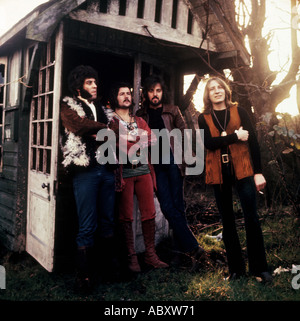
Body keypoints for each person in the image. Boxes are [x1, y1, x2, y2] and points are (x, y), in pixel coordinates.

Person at [198, 76, 272, 282]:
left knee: (252, 218)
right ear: (208, 94)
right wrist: (235, 137)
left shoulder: (239, 111)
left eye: (220, 87)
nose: (217, 91)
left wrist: (258, 172)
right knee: (228, 222)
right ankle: (236, 270)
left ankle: (260, 269)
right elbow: (209, 143)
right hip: (219, 174)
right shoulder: (203, 117)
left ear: (226, 90)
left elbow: (254, 141)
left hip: (244, 170)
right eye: (212, 89)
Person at [136, 74, 207, 271]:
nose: (155, 94)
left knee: (178, 208)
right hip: (155, 166)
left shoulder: (173, 110)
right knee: (167, 208)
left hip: (174, 163)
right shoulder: (141, 115)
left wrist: (190, 157)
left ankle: (179, 255)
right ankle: (194, 249)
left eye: (158, 90)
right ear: (146, 93)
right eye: (151, 91)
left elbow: (184, 133)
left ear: (162, 92)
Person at [60, 65, 116, 291]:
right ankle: (84, 277)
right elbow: (77, 125)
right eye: (89, 83)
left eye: (95, 82)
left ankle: (109, 270)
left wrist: (99, 130)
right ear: (78, 87)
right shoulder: (68, 106)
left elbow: (114, 129)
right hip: (86, 171)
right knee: (87, 224)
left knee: (108, 220)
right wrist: (101, 128)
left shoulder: (102, 107)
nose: (94, 86)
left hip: (106, 168)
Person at [108, 82, 168, 273]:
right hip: (124, 172)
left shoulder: (139, 120)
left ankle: (150, 255)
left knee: (149, 212)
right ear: (115, 97)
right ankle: (131, 256)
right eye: (122, 93)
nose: (126, 96)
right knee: (125, 215)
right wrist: (134, 141)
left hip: (143, 171)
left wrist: (128, 140)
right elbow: (116, 144)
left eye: (128, 93)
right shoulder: (111, 121)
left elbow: (151, 139)